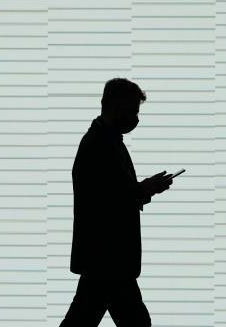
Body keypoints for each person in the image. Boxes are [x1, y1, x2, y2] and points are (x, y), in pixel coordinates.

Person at [59, 78, 173, 327]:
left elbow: (114, 194)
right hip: (107, 258)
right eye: (133, 110)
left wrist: (144, 189)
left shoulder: (106, 142)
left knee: (83, 319)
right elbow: (107, 201)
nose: (136, 119)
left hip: (104, 260)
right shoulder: (99, 144)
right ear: (115, 105)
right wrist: (145, 189)